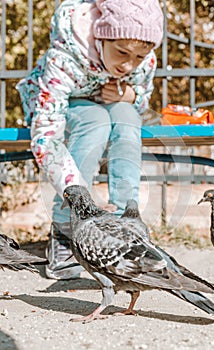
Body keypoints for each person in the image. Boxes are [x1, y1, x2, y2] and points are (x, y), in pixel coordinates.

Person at [16, 0, 164, 280]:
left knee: (127, 117)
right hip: (61, 107)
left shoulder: (143, 57)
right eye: (122, 53)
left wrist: (130, 96)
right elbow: (47, 131)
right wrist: (76, 195)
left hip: (106, 102)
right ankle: (66, 228)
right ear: (101, 36)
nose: (129, 64)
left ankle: (127, 224)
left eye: (139, 58)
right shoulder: (67, 57)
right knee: (95, 122)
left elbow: (142, 96)